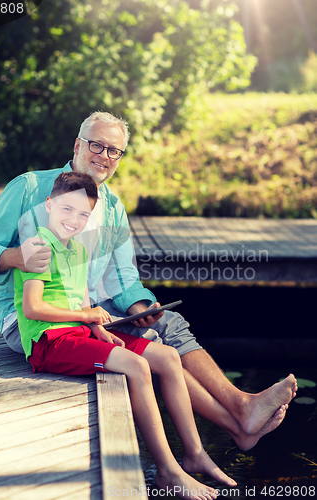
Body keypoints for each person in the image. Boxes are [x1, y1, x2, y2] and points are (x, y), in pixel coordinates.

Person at [0, 111, 297, 453]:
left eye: (114, 151)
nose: (104, 156)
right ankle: (238, 419)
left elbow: (125, 277)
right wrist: (17, 256)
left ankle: (240, 415)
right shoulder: (31, 187)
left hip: (86, 309)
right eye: (96, 145)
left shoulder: (112, 208)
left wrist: (141, 308)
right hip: (32, 318)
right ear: (77, 145)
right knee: (155, 343)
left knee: (167, 322)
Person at [14, 170, 238, 499]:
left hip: (80, 333)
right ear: (49, 205)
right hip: (50, 343)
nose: (73, 220)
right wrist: (84, 316)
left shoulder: (76, 249)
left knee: (167, 355)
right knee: (137, 366)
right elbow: (33, 307)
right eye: (66, 209)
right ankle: (168, 471)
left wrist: (98, 328)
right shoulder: (37, 248)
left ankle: (195, 454)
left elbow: (80, 300)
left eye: (83, 214)